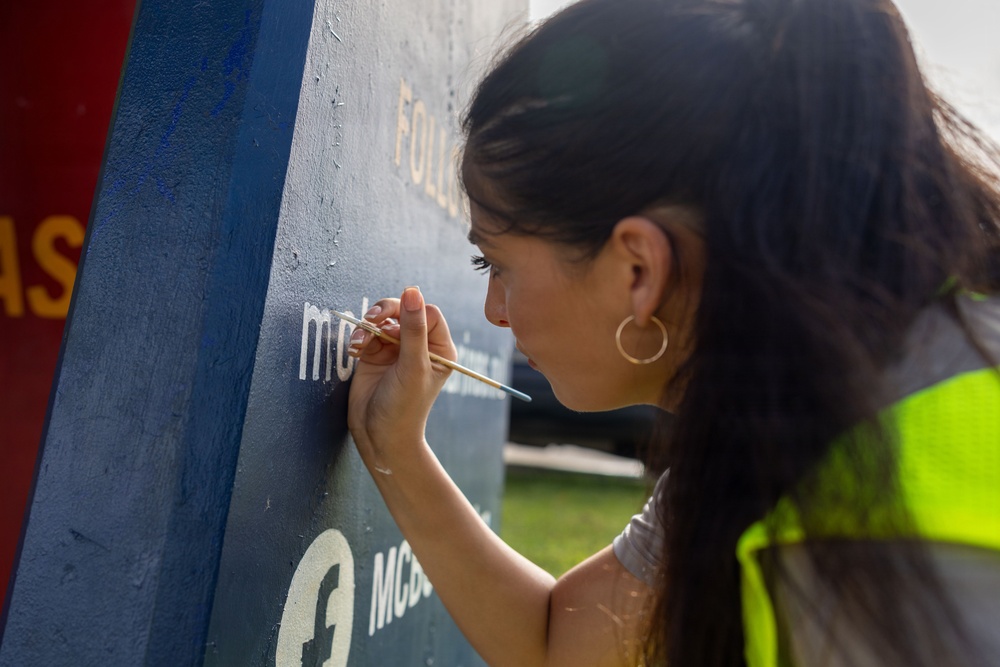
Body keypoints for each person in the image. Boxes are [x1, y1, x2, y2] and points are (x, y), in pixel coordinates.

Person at [345, 0, 1000, 664]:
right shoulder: (785, 415)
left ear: (638, 269)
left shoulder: (873, 537)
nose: (495, 310)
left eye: (498, 263)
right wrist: (394, 442)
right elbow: (560, 643)